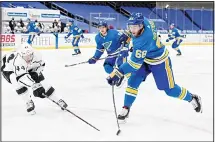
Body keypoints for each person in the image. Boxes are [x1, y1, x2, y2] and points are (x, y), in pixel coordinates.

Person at [106, 13, 202, 122]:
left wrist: (118, 73)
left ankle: (192, 98)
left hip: (159, 61)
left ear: (141, 26)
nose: (132, 30)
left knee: (169, 90)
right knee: (132, 81)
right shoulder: (144, 20)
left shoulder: (143, 40)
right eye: (130, 27)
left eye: (135, 27)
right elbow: (134, 33)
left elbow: (134, 64)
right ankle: (126, 107)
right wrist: (128, 33)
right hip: (146, 57)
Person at [1, 43, 68, 115]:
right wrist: (34, 86)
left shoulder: (37, 55)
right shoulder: (18, 61)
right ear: (21, 55)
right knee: (15, 81)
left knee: (43, 81)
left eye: (30, 55)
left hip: (28, 67)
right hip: (8, 69)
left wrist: (37, 76)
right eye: (25, 56)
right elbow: (21, 78)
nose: (28, 58)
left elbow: (41, 66)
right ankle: (28, 101)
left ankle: (58, 100)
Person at [88, 21, 131, 86]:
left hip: (121, 52)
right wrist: (95, 57)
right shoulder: (97, 38)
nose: (101, 29)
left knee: (121, 66)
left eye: (103, 27)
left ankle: (132, 81)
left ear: (106, 27)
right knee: (107, 67)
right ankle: (119, 76)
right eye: (100, 27)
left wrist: (125, 49)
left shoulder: (114, 33)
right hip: (111, 55)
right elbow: (100, 49)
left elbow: (126, 39)